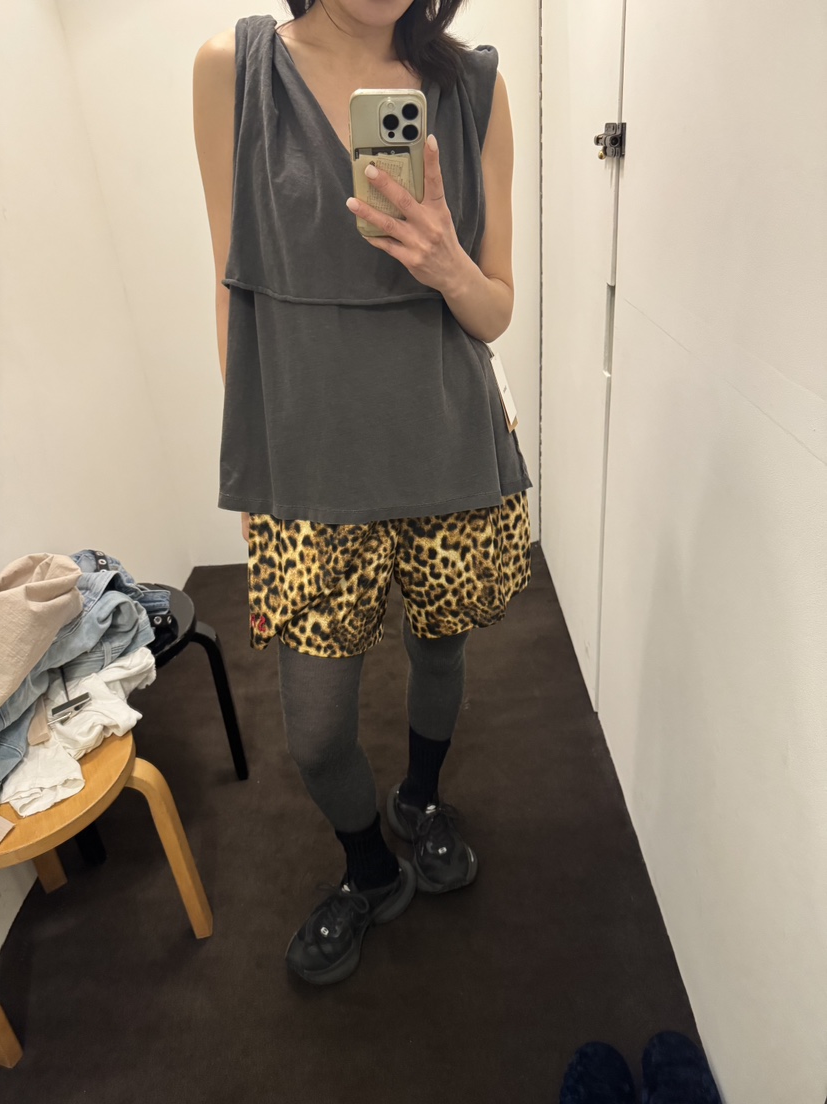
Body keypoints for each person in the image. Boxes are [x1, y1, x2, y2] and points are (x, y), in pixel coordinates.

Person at [192, 0, 534, 985]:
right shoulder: (234, 69)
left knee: (441, 649)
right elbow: (231, 284)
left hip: (447, 447)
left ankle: (420, 799)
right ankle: (369, 868)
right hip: (310, 464)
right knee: (315, 731)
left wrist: (448, 264)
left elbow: (495, 309)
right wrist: (258, 468)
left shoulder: (474, 88)